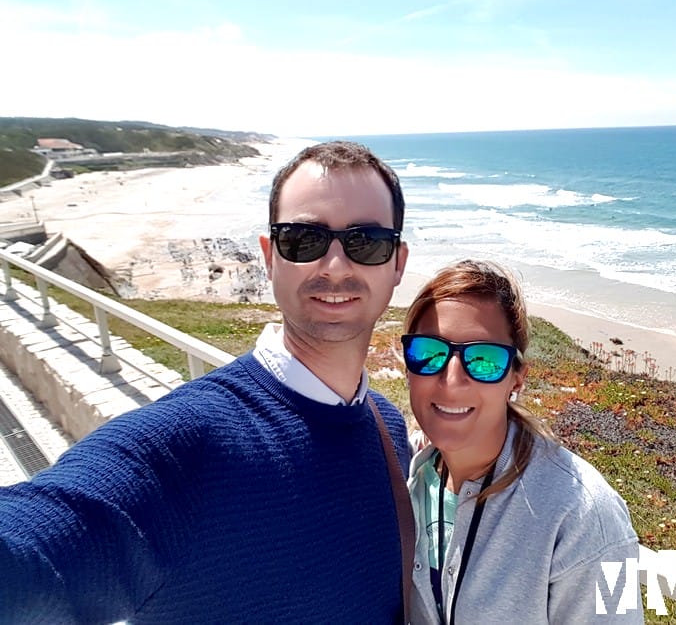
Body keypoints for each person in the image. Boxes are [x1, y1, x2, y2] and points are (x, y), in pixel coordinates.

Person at [0, 141, 412, 623]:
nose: (336, 266)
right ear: (270, 256)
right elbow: (39, 546)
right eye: (303, 240)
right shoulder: (184, 444)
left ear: (398, 263)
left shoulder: (386, 426)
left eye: (367, 242)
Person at [402, 259, 643, 624]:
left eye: (484, 359)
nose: (451, 379)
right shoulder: (410, 475)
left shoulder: (588, 515)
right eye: (428, 353)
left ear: (516, 377)